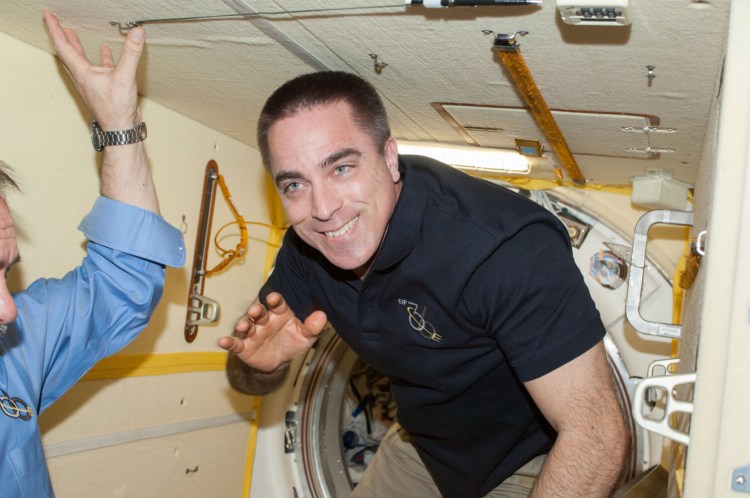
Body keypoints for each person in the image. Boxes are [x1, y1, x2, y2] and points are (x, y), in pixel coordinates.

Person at [219, 71, 629, 497]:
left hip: (534, 460)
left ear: (390, 157)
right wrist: (263, 367)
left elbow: (595, 435)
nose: (323, 208)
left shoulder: (503, 249)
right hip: (425, 449)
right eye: (295, 184)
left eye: (341, 168)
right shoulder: (305, 254)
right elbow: (245, 377)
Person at [1, 12, 185, 496]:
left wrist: (118, 123)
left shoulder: (10, 352)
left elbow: (122, 283)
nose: (8, 309)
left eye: (4, 273)